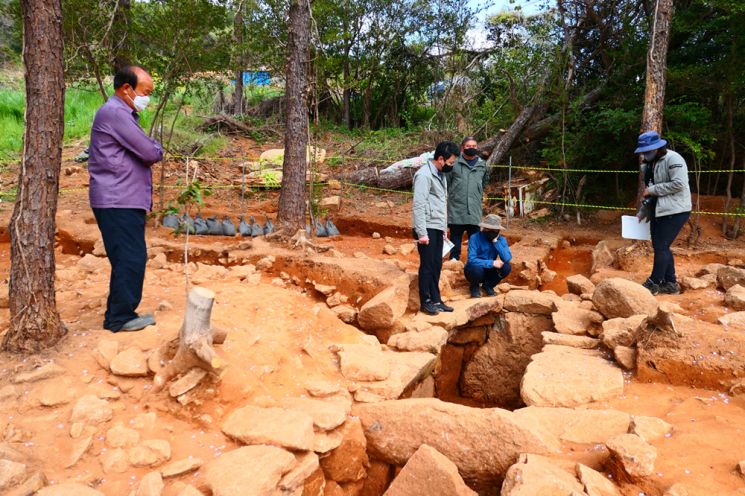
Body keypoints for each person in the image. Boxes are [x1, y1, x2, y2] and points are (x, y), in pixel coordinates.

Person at [88, 65, 164, 332]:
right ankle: (120, 318)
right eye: (145, 92)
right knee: (131, 257)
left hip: (122, 198)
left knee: (127, 257)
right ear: (126, 89)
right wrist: (156, 146)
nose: (148, 98)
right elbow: (149, 151)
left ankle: (119, 313)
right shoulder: (115, 113)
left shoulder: (122, 113)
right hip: (117, 199)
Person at [635, 130, 692, 295]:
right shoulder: (649, 164)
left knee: (661, 246)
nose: (645, 154)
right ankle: (670, 283)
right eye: (644, 151)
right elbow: (650, 194)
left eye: (648, 150)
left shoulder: (673, 159)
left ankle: (654, 282)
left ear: (658, 147)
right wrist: (642, 212)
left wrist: (652, 189)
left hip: (676, 209)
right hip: (659, 210)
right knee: (662, 246)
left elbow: (679, 184)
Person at [413, 141, 461, 315]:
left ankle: (436, 299)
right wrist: (422, 233)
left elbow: (441, 203)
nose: (452, 166)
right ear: (441, 159)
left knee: (436, 265)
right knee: (427, 265)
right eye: (450, 162)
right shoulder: (424, 175)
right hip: (426, 228)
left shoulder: (441, 175)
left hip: (437, 227)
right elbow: (418, 205)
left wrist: (443, 229)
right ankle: (425, 301)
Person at [446, 136, 490, 261]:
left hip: (474, 209)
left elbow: (483, 183)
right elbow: (447, 183)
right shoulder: (454, 163)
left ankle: (473, 260)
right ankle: (454, 259)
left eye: (474, 146)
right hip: (456, 208)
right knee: (455, 237)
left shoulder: (482, 165)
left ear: (477, 148)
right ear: (462, 148)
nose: (471, 148)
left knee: (475, 238)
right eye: (468, 146)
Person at [464, 214, 512, 298]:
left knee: (506, 267)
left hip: (489, 271)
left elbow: (507, 258)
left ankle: (488, 285)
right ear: (484, 228)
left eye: (495, 230)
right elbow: (471, 259)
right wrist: (491, 263)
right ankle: (474, 286)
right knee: (475, 268)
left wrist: (495, 242)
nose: (492, 232)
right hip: (475, 270)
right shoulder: (474, 238)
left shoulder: (501, 239)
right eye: (489, 229)